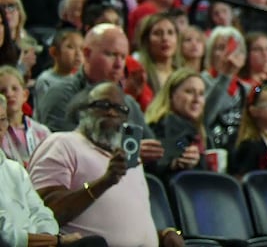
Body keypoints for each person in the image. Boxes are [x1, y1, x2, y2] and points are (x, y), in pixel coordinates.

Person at [29, 82, 185, 247]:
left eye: (120, 109)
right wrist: (104, 182)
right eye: (103, 105)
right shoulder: (62, 144)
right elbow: (45, 213)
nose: (111, 112)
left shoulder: (131, 160)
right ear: (83, 110)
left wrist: (163, 234)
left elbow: (128, 227)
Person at [0, 146, 101, 247]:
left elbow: (41, 213)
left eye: (4, 128)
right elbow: (6, 237)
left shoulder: (14, 169)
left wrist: (46, 237)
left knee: (95, 243)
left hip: (42, 242)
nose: (1, 129)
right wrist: (57, 241)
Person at [143, 68, 207, 176]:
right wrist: (184, 151)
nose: (197, 99)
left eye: (201, 94)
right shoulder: (166, 123)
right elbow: (176, 143)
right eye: (189, 92)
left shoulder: (200, 129)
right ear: (171, 95)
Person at [0, 65, 50, 166]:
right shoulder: (1, 133)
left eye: (14, 89)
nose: (9, 94)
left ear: (25, 95)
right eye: (2, 91)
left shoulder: (41, 132)